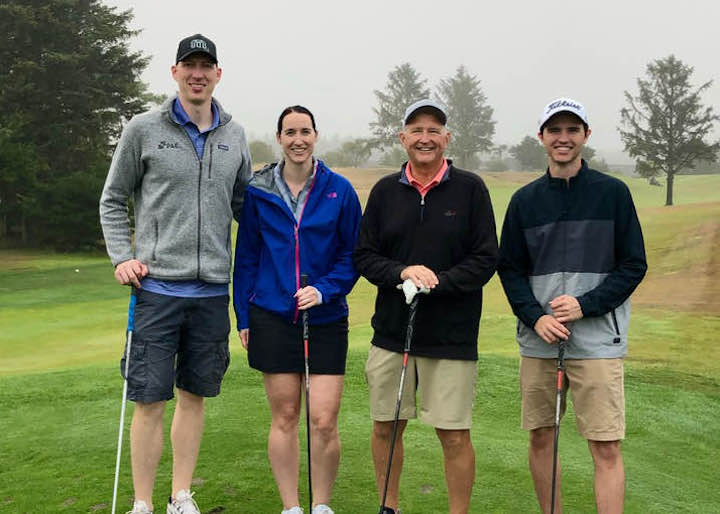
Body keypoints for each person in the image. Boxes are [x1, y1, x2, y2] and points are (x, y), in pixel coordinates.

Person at [99, 34, 251, 514]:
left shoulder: (235, 135)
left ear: (218, 74)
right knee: (149, 399)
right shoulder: (144, 128)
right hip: (156, 288)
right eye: (190, 65)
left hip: (210, 293)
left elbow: (246, 206)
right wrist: (123, 255)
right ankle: (142, 502)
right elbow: (112, 198)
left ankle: (180, 495)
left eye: (207, 65)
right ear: (175, 72)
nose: (198, 73)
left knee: (194, 396)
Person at [497, 98, 647, 514]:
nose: (563, 138)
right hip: (540, 341)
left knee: (605, 443)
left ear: (586, 135)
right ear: (542, 137)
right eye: (555, 130)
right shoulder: (525, 201)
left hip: (598, 340)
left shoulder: (612, 193)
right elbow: (509, 269)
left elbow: (633, 264)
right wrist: (537, 316)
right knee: (542, 437)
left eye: (572, 130)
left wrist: (586, 306)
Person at [354, 99, 498, 514]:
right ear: (403, 138)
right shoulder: (385, 191)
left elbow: (486, 258)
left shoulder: (470, 189)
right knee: (385, 427)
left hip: (451, 336)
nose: (425, 137)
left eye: (434, 130)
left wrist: (436, 282)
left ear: (446, 138)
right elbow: (365, 255)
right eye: (416, 130)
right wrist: (403, 272)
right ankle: (390, 507)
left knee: (453, 435)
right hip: (391, 334)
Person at [233, 105, 362, 514]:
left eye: (305, 131)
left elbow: (353, 255)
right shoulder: (258, 191)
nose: (298, 139)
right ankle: (291, 507)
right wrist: (244, 315)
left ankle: (321, 504)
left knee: (323, 419)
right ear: (279, 139)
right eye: (290, 132)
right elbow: (248, 258)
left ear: (316, 135)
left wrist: (324, 290)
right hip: (272, 315)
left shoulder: (339, 190)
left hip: (325, 318)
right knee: (286, 415)